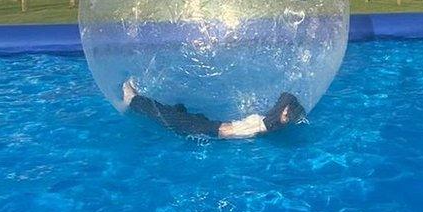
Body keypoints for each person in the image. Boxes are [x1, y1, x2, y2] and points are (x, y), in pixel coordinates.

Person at [121, 79, 305, 138]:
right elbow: (286, 99)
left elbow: (286, 97)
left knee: (167, 116)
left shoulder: (271, 123)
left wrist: (289, 108)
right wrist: (292, 111)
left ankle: (133, 99)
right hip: (211, 128)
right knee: (173, 114)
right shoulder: (272, 124)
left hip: (211, 130)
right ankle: (135, 100)